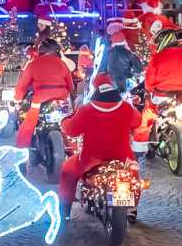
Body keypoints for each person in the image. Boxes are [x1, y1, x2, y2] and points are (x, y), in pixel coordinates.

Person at [58, 73, 141, 218]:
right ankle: (132, 209)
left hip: (90, 159)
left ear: (94, 87)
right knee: (133, 176)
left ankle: (64, 212)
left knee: (68, 171)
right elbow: (137, 122)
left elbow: (71, 130)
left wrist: (64, 120)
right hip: (122, 157)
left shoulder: (86, 109)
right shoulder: (127, 108)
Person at [12, 36, 77, 148]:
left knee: (29, 123)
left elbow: (22, 85)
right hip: (63, 97)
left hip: (41, 97)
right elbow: (70, 86)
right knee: (70, 121)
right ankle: (74, 148)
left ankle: (22, 148)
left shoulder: (32, 64)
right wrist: (72, 98)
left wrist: (17, 99)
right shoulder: (62, 63)